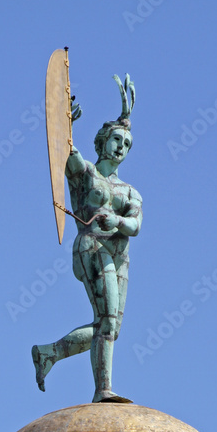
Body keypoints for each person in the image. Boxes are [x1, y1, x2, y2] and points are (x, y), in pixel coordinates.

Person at [32, 74, 142, 403]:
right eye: (116, 140)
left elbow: (135, 225)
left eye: (126, 144)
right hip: (93, 247)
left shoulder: (130, 191)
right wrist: (65, 119)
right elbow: (65, 152)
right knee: (107, 322)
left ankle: (50, 352)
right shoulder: (87, 176)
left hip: (119, 256)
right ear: (101, 142)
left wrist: (118, 220)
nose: (120, 147)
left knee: (109, 328)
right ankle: (102, 390)